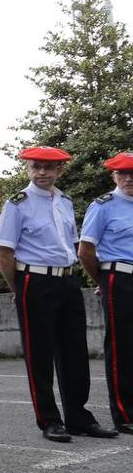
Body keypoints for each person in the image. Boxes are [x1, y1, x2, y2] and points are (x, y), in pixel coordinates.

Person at [0, 147, 117, 443]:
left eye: (49, 168)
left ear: (60, 171)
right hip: (34, 281)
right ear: (28, 169)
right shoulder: (17, 204)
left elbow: (72, 244)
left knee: (75, 352)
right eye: (36, 167)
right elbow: (4, 253)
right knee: (40, 354)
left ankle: (78, 417)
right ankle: (49, 420)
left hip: (68, 280)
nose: (42, 173)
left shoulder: (64, 201)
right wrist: (17, 288)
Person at [77, 151, 133, 435]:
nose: (129, 178)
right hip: (119, 277)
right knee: (121, 348)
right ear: (114, 176)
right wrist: (103, 277)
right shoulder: (103, 206)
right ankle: (124, 414)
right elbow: (85, 250)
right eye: (123, 173)